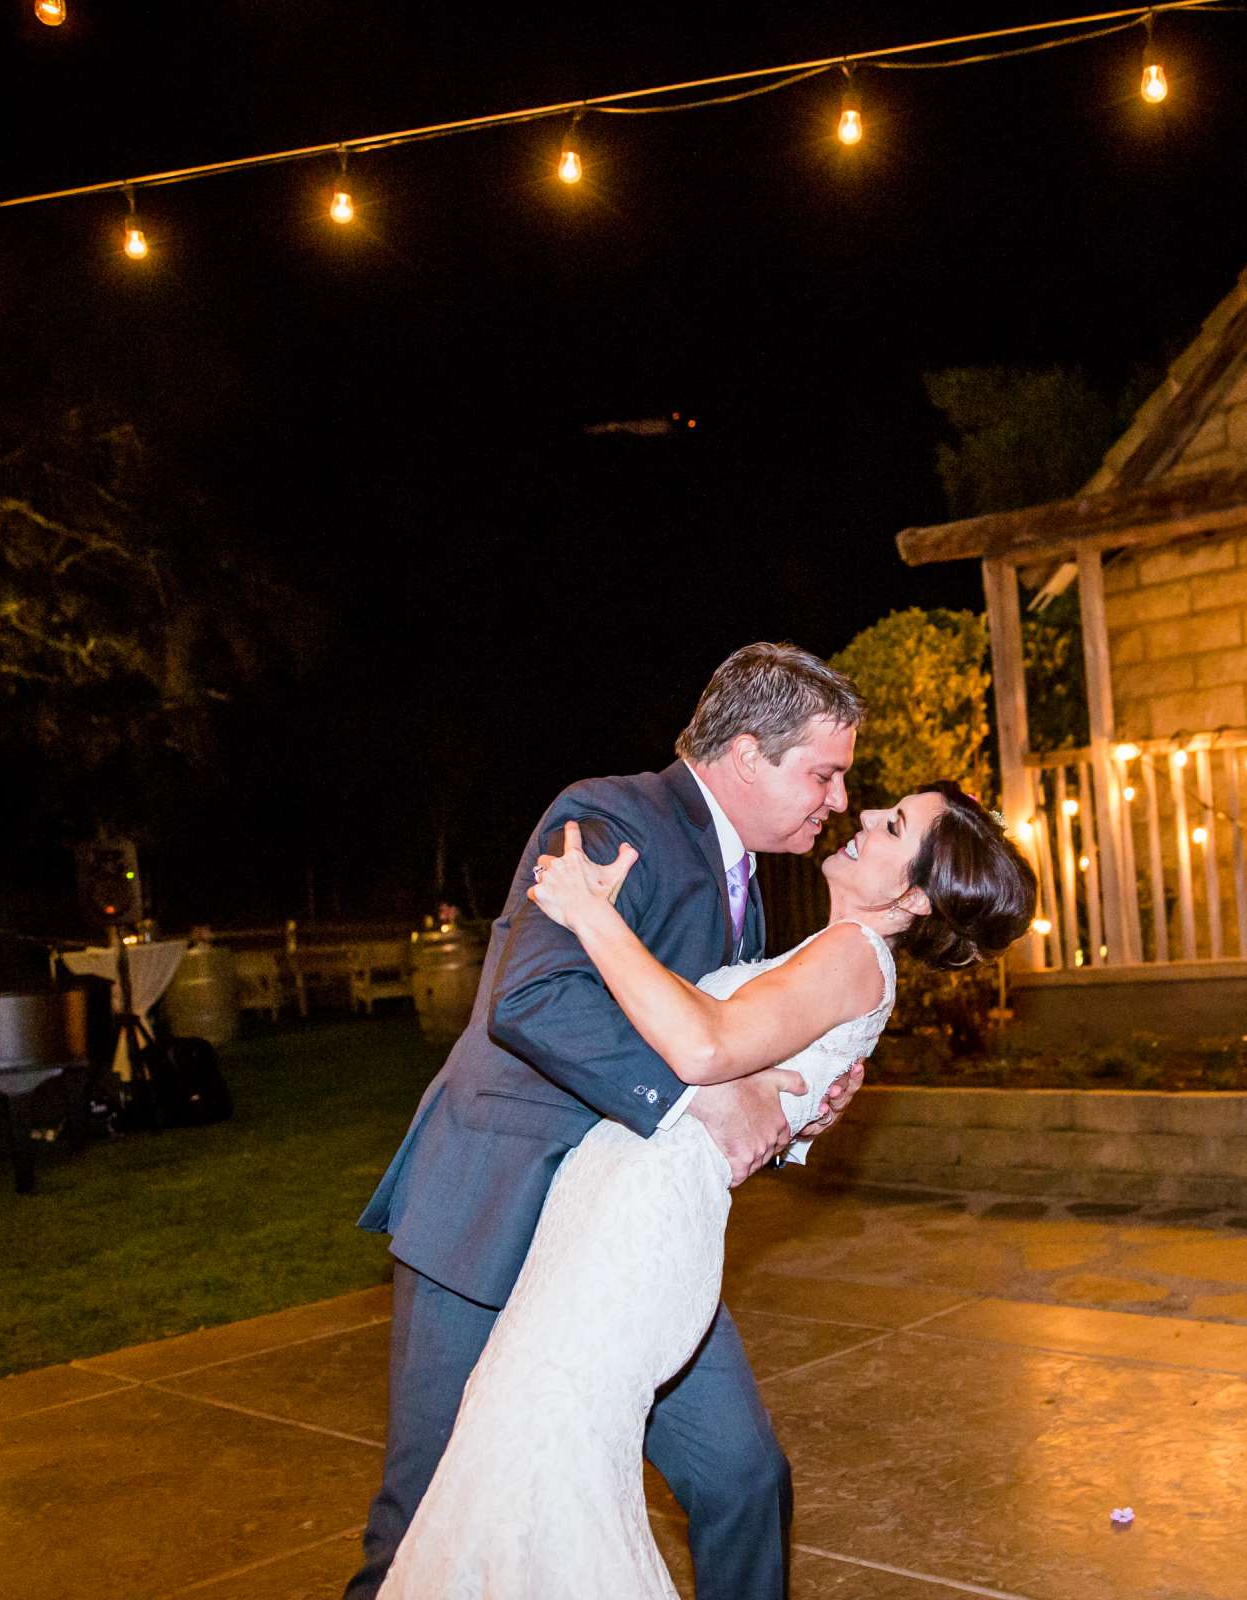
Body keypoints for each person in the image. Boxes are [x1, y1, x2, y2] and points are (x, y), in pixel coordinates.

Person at [383, 780, 1033, 1597]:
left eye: (893, 823)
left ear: (912, 893)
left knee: (539, 1459)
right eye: (844, 785)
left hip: (632, 1224)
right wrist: (795, 1108)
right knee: (527, 1457)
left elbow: (700, 1046)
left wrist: (591, 914)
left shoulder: (849, 957)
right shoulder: (826, 951)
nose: (855, 810)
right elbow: (709, 1049)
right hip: (607, 1203)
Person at [346, 643, 869, 1600]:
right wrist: (705, 1091)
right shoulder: (611, 815)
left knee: (745, 1478)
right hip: (494, 1213)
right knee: (426, 1523)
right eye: (824, 774)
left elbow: (710, 1040)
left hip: (623, 1239)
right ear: (748, 756)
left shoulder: (746, 891)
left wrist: (795, 1107)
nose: (836, 799)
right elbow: (534, 1000)